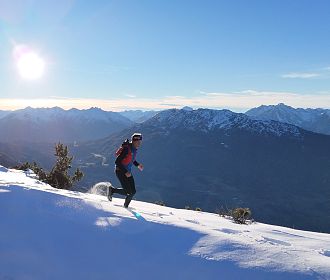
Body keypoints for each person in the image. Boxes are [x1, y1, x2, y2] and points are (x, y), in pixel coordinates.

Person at [108, 133, 144, 208]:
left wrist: (138, 165)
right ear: (134, 141)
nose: (140, 143)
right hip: (120, 171)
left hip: (127, 172)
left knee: (133, 191)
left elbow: (131, 159)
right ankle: (112, 191)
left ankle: (125, 206)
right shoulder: (127, 149)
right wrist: (125, 172)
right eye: (138, 141)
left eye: (140, 141)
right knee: (128, 192)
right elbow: (117, 161)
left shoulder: (134, 149)